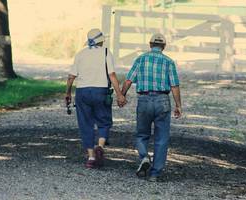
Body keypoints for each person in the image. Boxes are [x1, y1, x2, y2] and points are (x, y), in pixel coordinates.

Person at [121, 33, 182, 181]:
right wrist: (178, 105)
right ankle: (155, 174)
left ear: (150, 45)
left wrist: (121, 95)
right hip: (162, 100)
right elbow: (174, 86)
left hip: (144, 100)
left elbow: (129, 80)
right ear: (164, 46)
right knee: (162, 138)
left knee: (142, 134)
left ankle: (144, 157)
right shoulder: (169, 62)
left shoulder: (140, 59)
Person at [66, 28, 126, 169]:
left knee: (85, 124)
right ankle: (100, 145)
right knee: (104, 121)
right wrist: (119, 94)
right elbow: (111, 75)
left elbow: (71, 77)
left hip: (83, 92)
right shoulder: (106, 52)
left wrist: (68, 93)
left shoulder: (80, 54)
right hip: (101, 91)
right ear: (101, 40)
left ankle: (91, 157)